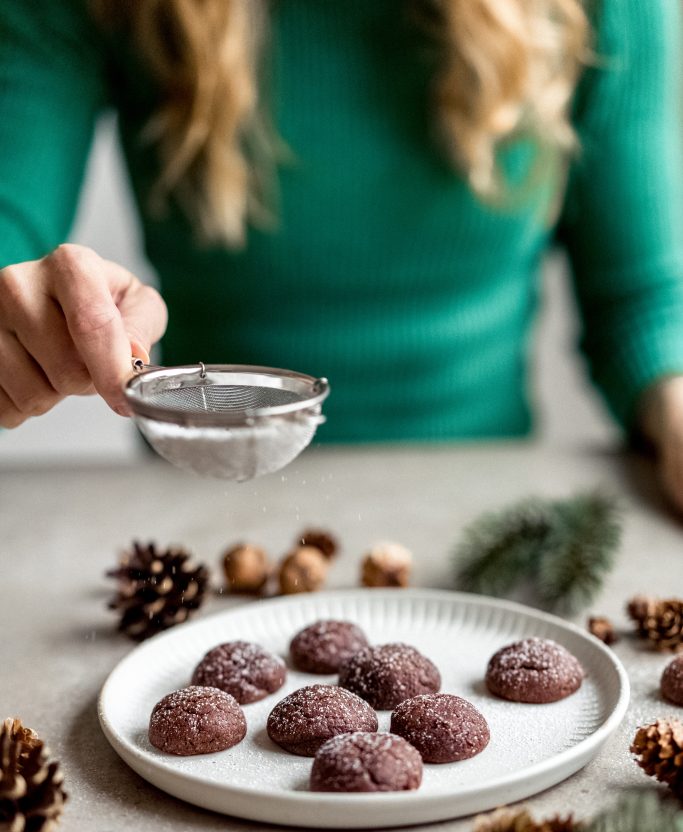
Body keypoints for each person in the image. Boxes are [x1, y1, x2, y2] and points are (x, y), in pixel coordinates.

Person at [1, 0, 683, 510]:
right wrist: (29, 322)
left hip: (484, 507)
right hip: (200, 511)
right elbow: (12, 236)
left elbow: (644, 303)